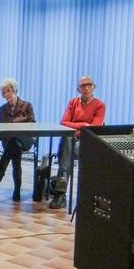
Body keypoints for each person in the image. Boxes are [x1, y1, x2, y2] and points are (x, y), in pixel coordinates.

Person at [50, 76, 105, 209]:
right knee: (67, 139)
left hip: (87, 144)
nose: (86, 88)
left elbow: (94, 128)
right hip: (71, 141)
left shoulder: (100, 105)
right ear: (78, 89)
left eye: (89, 85)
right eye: (83, 85)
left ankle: (60, 192)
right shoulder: (73, 102)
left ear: (94, 87)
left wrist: (75, 127)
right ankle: (61, 191)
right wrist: (84, 125)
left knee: (67, 142)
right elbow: (63, 123)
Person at [0, 78, 36, 202]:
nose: (6, 94)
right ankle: (17, 189)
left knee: (15, 139)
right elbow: (0, 130)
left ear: (14, 90)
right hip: (9, 141)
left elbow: (33, 124)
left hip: (26, 139)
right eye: (4, 92)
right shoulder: (2, 109)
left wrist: (15, 124)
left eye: (8, 91)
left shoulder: (27, 105)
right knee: (14, 145)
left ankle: (0, 170)